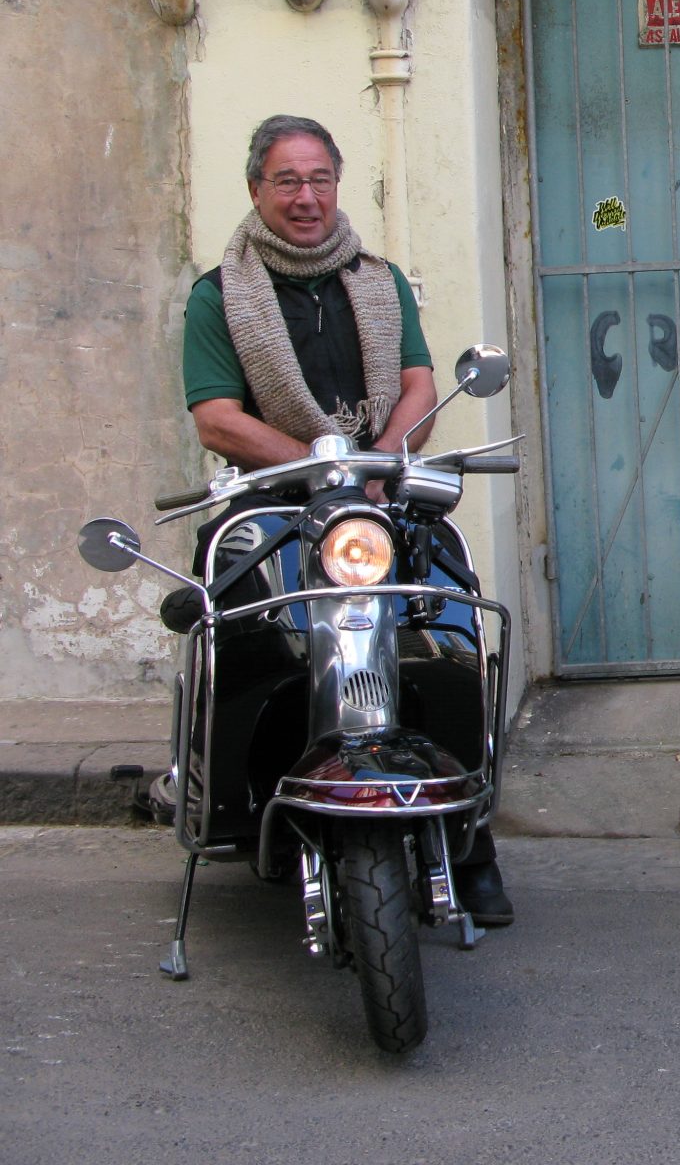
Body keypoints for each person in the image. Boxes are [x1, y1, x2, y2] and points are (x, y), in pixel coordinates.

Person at [181, 114, 514, 926]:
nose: (306, 198)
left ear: (338, 183)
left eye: (319, 179)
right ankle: (224, 802)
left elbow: (417, 386)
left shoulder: (377, 275)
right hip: (278, 494)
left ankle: (470, 844)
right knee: (235, 625)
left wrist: (381, 465)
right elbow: (217, 416)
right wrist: (315, 464)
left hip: (375, 494)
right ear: (256, 189)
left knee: (451, 628)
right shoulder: (219, 293)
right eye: (287, 182)